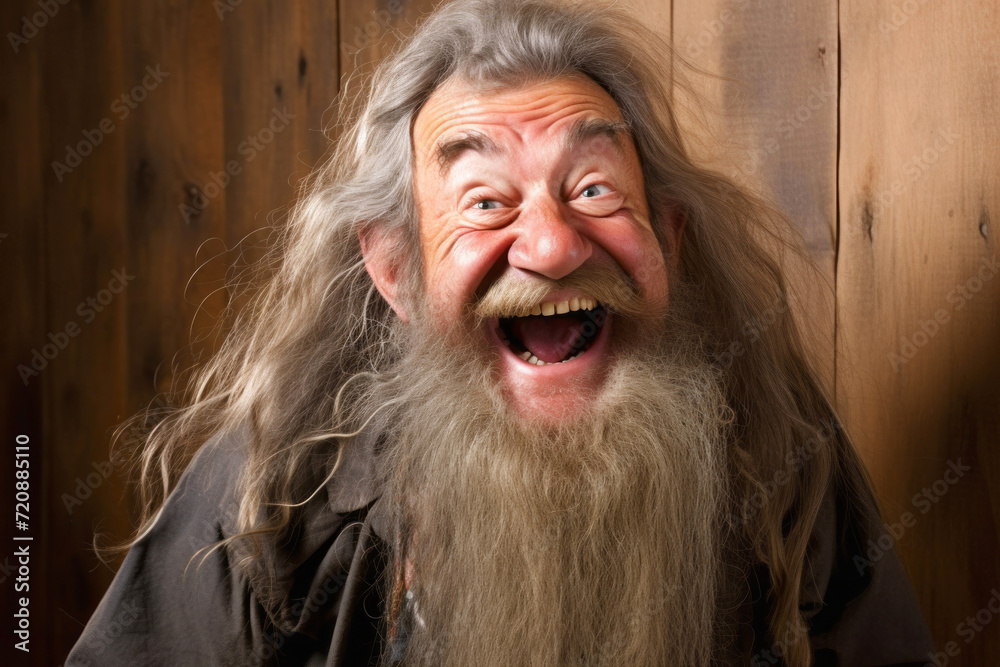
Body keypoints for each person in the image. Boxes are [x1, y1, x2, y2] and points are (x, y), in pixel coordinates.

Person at [67, 1, 935, 665]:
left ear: (667, 239)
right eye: (486, 202)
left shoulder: (781, 458)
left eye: (594, 188)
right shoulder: (275, 490)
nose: (554, 245)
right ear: (396, 271)